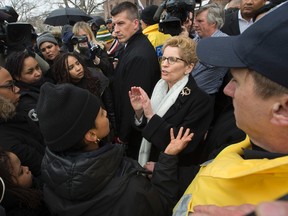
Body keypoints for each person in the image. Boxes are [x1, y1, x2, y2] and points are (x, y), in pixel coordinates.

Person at [173, 2, 288, 215]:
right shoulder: (243, 136)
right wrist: (168, 170)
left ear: (282, 109)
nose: (227, 89)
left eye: (237, 81)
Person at [36, 82, 193, 216]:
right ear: (91, 134)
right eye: (100, 113)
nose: (105, 112)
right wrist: (168, 159)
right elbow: (163, 204)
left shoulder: (51, 176)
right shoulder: (129, 190)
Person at [129, 36, 213, 168]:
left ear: (189, 67)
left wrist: (160, 168)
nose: (164, 64)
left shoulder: (200, 101)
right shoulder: (159, 88)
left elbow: (186, 147)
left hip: (170, 173)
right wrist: (140, 112)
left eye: (172, 60)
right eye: (163, 58)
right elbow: (144, 131)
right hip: (146, 163)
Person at [111, 1, 161, 159]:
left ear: (135, 23)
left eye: (120, 23)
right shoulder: (132, 46)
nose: (115, 30)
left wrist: (123, 137)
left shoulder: (139, 55)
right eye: (114, 25)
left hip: (135, 138)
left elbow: (132, 103)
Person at [51, 52, 117, 140]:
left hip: (106, 129)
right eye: (71, 68)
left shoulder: (96, 78)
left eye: (78, 63)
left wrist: (115, 131)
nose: (78, 68)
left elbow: (110, 107)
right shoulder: (62, 93)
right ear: (63, 73)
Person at [0, 67, 45, 178]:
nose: (17, 89)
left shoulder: (14, 112)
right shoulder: (7, 143)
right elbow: (44, 167)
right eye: (9, 85)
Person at [192, 3, 229, 98]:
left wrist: (188, 47)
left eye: (200, 21)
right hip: (189, 92)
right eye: (195, 21)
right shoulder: (197, 39)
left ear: (213, 22)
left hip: (205, 96)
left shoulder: (224, 41)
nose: (195, 25)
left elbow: (210, 62)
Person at [0, 149, 50, 216]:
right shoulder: (24, 212)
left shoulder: (31, 184)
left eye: (22, 165)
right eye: (21, 172)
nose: (26, 168)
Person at [5, 50, 52, 120]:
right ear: (17, 76)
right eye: (30, 72)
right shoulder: (25, 101)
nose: (38, 73)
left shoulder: (47, 81)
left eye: (37, 67)